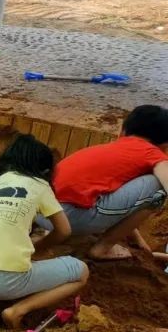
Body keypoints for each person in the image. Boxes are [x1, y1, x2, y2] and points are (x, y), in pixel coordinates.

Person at [0, 134, 88, 329]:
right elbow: (64, 231)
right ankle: (18, 310)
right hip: (4, 283)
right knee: (80, 271)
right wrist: (38, 248)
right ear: (45, 170)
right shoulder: (39, 186)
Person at [50, 104, 168, 260]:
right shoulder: (152, 153)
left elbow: (127, 204)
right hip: (70, 219)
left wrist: (139, 241)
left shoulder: (114, 149)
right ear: (164, 144)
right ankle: (103, 248)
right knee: (157, 188)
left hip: (45, 215)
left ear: (123, 131)